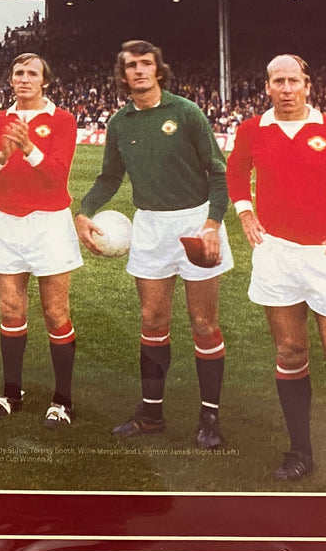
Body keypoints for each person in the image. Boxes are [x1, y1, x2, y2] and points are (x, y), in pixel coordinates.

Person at [226, 54, 326, 492]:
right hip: (276, 255)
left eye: (293, 80)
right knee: (291, 352)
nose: (286, 88)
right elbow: (236, 172)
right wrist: (245, 213)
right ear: (267, 86)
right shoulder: (252, 130)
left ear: (307, 84)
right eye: (278, 81)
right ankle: (300, 454)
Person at [75, 39, 233, 450]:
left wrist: (213, 224)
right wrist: (84, 211)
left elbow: (219, 174)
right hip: (149, 227)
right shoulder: (120, 123)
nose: (140, 70)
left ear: (158, 70)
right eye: (132, 65)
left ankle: (210, 418)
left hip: (196, 222)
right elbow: (109, 178)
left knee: (203, 323)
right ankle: (150, 415)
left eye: (147, 64)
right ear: (123, 75)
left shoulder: (185, 112)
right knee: (152, 320)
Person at [0, 53, 82, 426]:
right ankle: (11, 393)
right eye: (18, 73)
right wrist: (3, 155)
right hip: (7, 222)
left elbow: (57, 176)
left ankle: (62, 400)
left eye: (32, 73)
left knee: (55, 312)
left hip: (49, 223)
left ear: (45, 81)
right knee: (10, 310)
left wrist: (29, 147)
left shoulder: (62, 120)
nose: (23, 79)